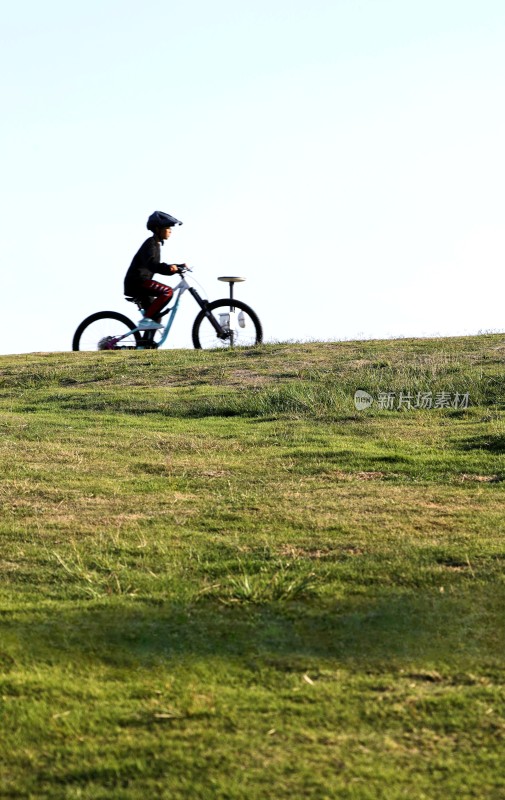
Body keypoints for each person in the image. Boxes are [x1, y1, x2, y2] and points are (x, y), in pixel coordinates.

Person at [124, 210, 187, 330]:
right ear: (158, 229)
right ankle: (146, 320)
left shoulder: (156, 244)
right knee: (167, 292)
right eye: (167, 227)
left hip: (142, 284)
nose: (170, 230)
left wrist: (177, 267)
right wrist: (169, 268)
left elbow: (157, 265)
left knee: (156, 317)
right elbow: (153, 265)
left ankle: (145, 344)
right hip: (137, 282)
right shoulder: (150, 243)